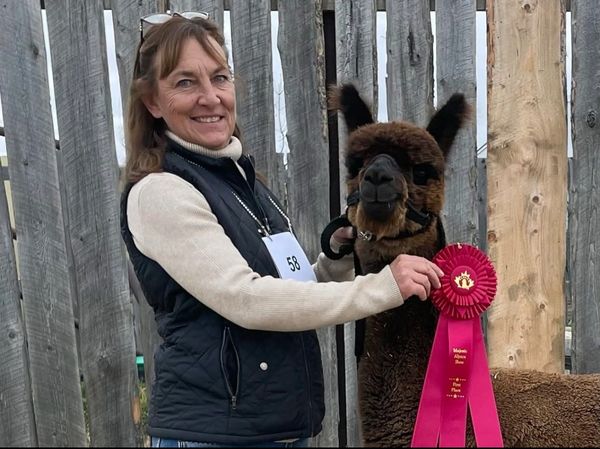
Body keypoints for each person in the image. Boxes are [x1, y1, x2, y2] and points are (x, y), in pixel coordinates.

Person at [120, 11, 444, 448]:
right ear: (153, 102)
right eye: (185, 82)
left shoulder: (245, 185)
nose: (210, 97)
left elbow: (288, 291)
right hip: (215, 436)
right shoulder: (162, 192)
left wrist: (333, 262)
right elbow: (246, 299)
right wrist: (382, 288)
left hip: (275, 429)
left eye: (219, 78)